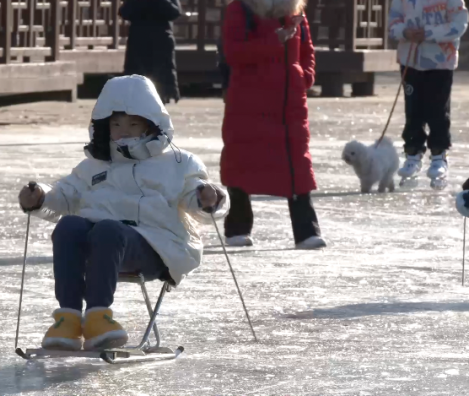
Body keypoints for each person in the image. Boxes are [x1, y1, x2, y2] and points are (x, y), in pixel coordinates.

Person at [17, 75, 228, 351]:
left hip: (157, 246)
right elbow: (65, 195)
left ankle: (98, 318)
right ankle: (68, 319)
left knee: (108, 229)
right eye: (116, 124)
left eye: (132, 124)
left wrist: (209, 198)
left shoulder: (179, 162)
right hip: (102, 245)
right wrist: (40, 196)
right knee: (69, 226)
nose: (123, 131)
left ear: (151, 125)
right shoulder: (94, 165)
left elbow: (195, 199)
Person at [219, 0, 326, 249]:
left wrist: (304, 74)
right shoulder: (241, 8)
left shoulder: (294, 8)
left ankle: (306, 230)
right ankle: (238, 227)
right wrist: (273, 42)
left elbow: (306, 49)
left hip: (290, 101)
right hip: (249, 99)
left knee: (296, 161)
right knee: (242, 159)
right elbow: (233, 53)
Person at [388, 0, 468, 184]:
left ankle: (439, 155)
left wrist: (429, 33)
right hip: (411, 59)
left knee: (438, 110)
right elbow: (393, 20)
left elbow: (459, 23)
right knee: (413, 110)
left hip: (440, 61)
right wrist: (404, 32)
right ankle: (412, 153)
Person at [119, 0, 182, 104]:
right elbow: (124, 12)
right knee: (138, 73)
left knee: (161, 73)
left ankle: (163, 96)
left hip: (159, 38)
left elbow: (175, 12)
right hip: (140, 38)